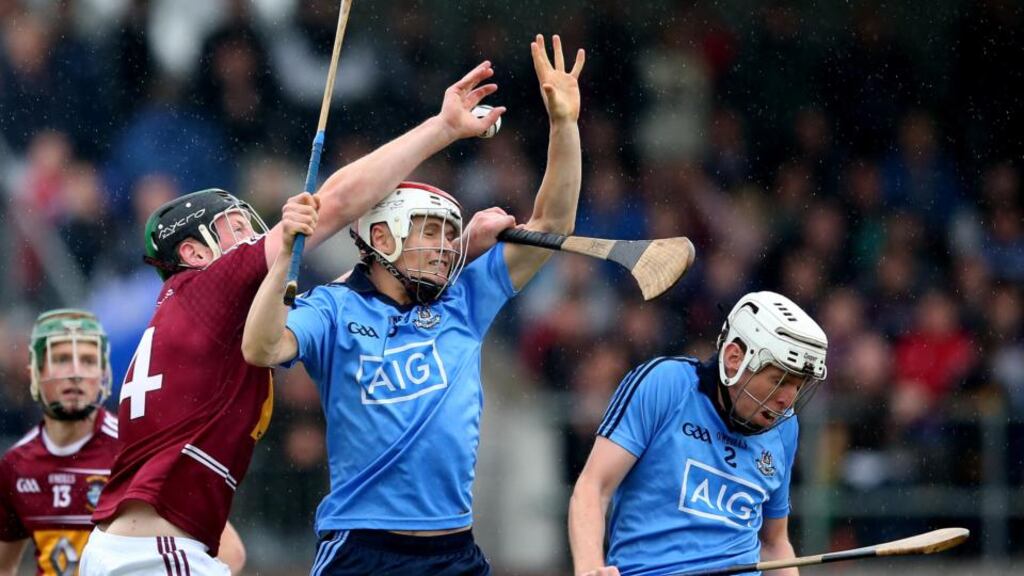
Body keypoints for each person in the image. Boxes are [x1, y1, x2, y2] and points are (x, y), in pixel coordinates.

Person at [79, 60, 507, 576]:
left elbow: (371, 279)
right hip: (156, 553)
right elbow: (341, 202)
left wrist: (455, 249)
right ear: (193, 253)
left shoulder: (187, 314)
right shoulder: (210, 287)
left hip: (139, 547)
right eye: (235, 226)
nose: (253, 235)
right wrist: (442, 128)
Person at [241, 34, 585, 575]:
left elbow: (554, 225)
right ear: (380, 235)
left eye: (450, 234)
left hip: (453, 549)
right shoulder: (332, 308)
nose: (445, 246)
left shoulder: (465, 301)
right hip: (361, 548)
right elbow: (261, 347)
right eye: (429, 231)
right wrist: (285, 253)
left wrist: (564, 127)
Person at [568, 291, 829, 576]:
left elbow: (774, 543)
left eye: (798, 386)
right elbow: (593, 488)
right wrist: (590, 568)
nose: (788, 400)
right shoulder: (665, 384)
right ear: (734, 358)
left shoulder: (785, 428)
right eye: (780, 380)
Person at [0, 309, 244, 576]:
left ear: (104, 373)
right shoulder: (15, 466)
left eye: (88, 360)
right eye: (61, 359)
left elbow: (231, 554)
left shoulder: (137, 449)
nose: (76, 373)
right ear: (34, 372)